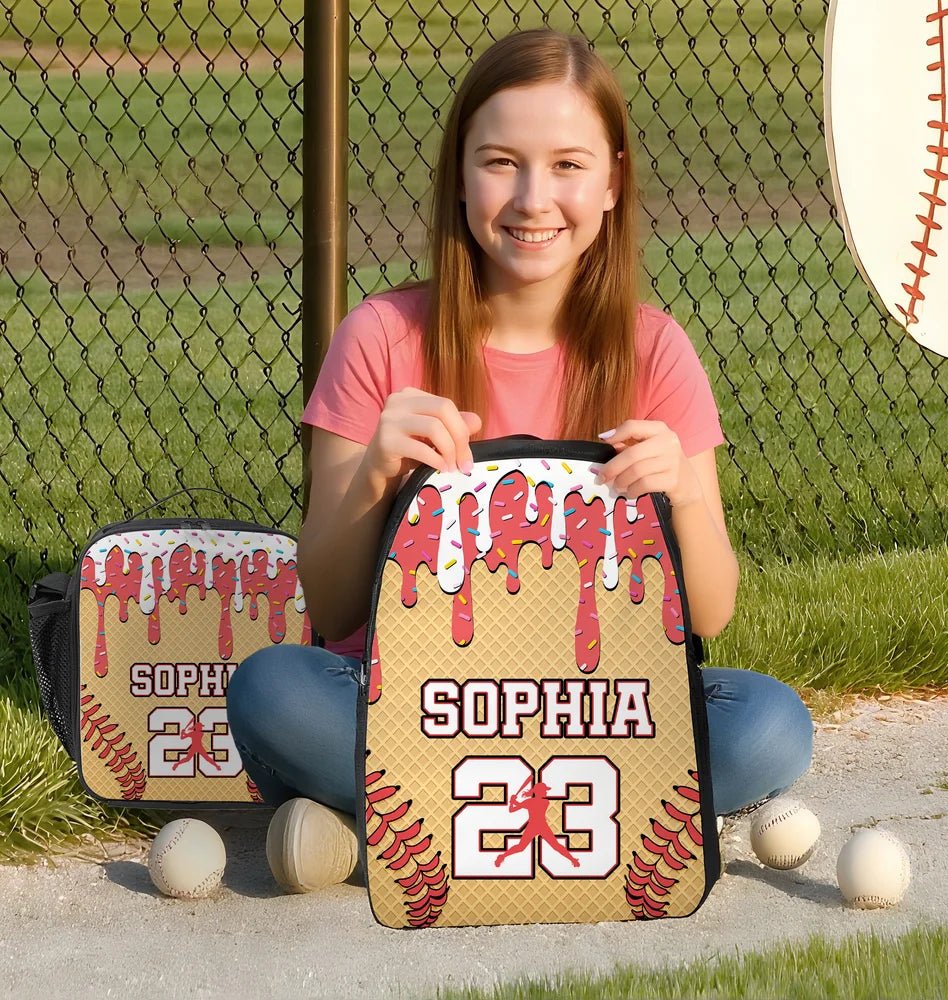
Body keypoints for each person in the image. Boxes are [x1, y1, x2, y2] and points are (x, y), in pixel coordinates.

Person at [226, 28, 813, 894]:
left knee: (769, 725)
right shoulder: (382, 339)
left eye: (568, 165)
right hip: (415, 702)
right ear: (460, 178)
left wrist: (684, 493)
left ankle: (391, 827)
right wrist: (378, 474)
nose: (535, 198)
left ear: (612, 181)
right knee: (273, 690)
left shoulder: (654, 352)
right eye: (501, 162)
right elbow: (331, 601)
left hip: (594, 703)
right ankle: (593, 820)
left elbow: (711, 612)